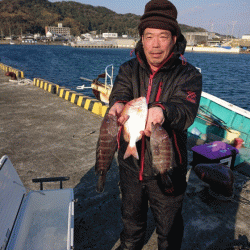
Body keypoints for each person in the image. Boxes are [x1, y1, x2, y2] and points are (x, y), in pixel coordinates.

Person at [108, 0, 202, 249]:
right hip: (130, 166)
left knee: (169, 232)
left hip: (167, 166)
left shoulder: (189, 74)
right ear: (141, 38)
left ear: (174, 39)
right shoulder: (127, 69)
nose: (155, 44)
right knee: (130, 226)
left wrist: (163, 109)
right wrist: (117, 105)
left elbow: (186, 112)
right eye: (149, 36)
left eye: (163, 36)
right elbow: (119, 93)